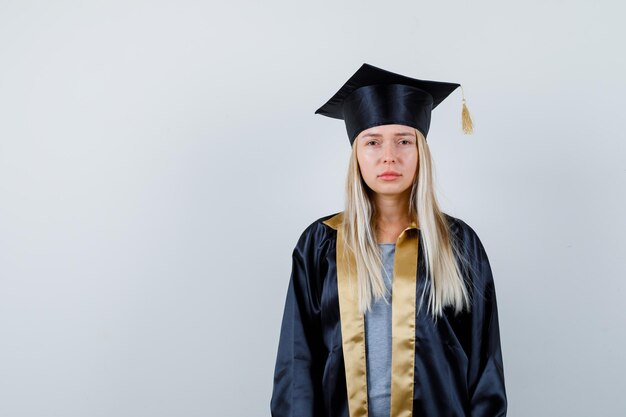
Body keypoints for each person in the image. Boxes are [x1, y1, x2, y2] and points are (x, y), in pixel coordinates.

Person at [270, 63, 507, 417]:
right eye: (373, 142)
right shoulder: (321, 244)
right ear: (356, 155)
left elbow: (485, 366)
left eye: (404, 141)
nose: (389, 156)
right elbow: (297, 360)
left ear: (421, 151)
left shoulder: (458, 244)